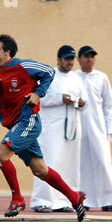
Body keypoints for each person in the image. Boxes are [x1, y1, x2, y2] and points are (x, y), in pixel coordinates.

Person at [0, 34, 86, 221]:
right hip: (14, 125)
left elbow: (49, 72)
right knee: (40, 170)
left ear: (7, 52)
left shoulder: (24, 66)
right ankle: (74, 197)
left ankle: (17, 199)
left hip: (28, 120)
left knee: (0, 154)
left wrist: (38, 94)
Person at [30, 45, 88, 213]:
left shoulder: (76, 78)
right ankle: (42, 200)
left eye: (72, 59)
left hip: (72, 129)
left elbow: (85, 101)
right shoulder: (49, 76)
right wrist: (60, 98)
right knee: (48, 163)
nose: (70, 62)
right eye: (67, 59)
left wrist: (79, 101)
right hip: (50, 129)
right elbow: (39, 98)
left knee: (70, 165)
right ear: (59, 59)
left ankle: (65, 201)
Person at [75, 46, 112, 212]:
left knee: (103, 162)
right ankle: (82, 200)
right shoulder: (73, 77)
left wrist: (111, 127)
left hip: (98, 127)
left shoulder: (102, 78)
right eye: (86, 56)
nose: (90, 59)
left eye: (92, 56)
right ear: (79, 59)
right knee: (80, 165)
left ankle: (108, 200)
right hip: (78, 128)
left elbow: (110, 104)